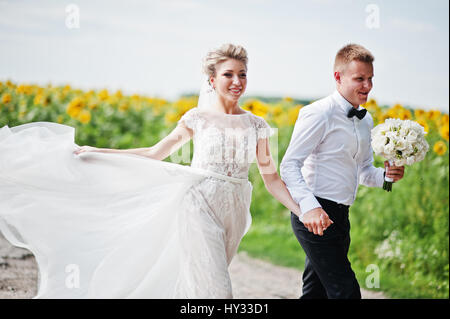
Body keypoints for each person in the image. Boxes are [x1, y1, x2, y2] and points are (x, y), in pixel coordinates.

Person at [0, 43, 333, 299]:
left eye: (242, 74)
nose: (237, 81)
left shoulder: (258, 125)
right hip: (198, 201)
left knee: (197, 283)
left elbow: (271, 178)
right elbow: (154, 153)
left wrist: (303, 210)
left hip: (235, 207)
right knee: (217, 290)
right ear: (212, 79)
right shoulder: (196, 118)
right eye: (229, 74)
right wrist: (98, 152)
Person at [280, 43, 405, 299]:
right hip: (315, 215)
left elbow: (363, 170)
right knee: (345, 291)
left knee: (316, 292)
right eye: (359, 79)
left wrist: (386, 177)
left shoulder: (365, 120)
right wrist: (309, 207)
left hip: (341, 215)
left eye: (370, 79)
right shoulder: (318, 113)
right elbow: (289, 165)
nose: (367, 86)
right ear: (338, 77)